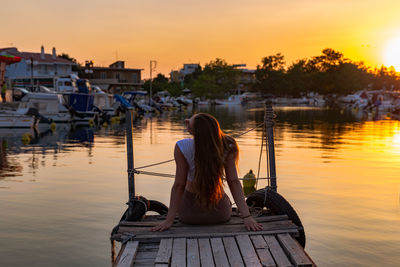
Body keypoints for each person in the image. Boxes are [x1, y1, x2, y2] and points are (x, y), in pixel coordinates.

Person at [151, 113, 263, 232]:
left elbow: (179, 185)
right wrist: (247, 217)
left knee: (182, 190)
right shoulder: (228, 144)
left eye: (189, 121)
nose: (186, 121)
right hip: (219, 214)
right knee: (226, 198)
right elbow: (233, 181)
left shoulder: (182, 146)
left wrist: (169, 220)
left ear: (192, 130)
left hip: (189, 215)